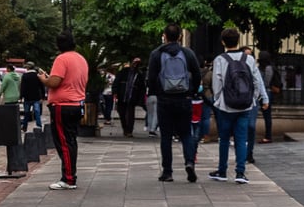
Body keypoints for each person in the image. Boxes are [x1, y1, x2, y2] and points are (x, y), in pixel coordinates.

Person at [209, 28, 267, 184]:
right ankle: (240, 173)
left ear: (223, 42)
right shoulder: (248, 59)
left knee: (224, 139)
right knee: (242, 139)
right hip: (245, 105)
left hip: (225, 106)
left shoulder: (220, 59)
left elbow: (217, 83)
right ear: (238, 40)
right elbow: (256, 81)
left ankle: (222, 170)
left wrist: (219, 99)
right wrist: (252, 98)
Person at [147, 23, 202, 183]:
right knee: (186, 134)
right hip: (184, 98)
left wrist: (157, 92)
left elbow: (151, 78)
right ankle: (190, 162)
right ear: (179, 36)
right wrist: (192, 91)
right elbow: (197, 74)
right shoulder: (187, 53)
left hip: (165, 100)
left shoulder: (156, 54)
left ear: (164, 35)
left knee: (166, 136)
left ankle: (167, 171)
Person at [38, 29, 88, 190]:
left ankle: (68, 178)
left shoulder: (62, 59)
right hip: (76, 104)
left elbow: (54, 82)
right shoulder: (81, 59)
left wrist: (43, 79)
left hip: (62, 105)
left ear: (58, 45)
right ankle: (69, 174)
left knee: (64, 143)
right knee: (71, 141)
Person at [114, 57, 146, 137]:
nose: (135, 65)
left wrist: (140, 98)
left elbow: (142, 88)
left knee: (130, 114)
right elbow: (116, 82)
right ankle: (125, 128)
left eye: (137, 64)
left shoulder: (139, 75)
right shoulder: (123, 72)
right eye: (134, 63)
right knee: (121, 112)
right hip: (122, 96)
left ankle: (129, 130)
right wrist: (115, 92)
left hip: (132, 97)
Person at [257, 51, 277, 144]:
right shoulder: (262, 67)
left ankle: (268, 136)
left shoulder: (267, 68)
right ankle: (267, 135)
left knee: (267, 115)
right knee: (266, 115)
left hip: (266, 92)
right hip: (263, 92)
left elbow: (266, 82)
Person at [20, 61, 46, 131]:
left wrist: (21, 96)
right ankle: (39, 126)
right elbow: (41, 86)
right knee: (37, 112)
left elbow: (22, 87)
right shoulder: (37, 75)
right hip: (36, 97)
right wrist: (43, 96)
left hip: (27, 97)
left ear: (28, 68)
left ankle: (24, 127)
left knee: (26, 113)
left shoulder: (25, 76)